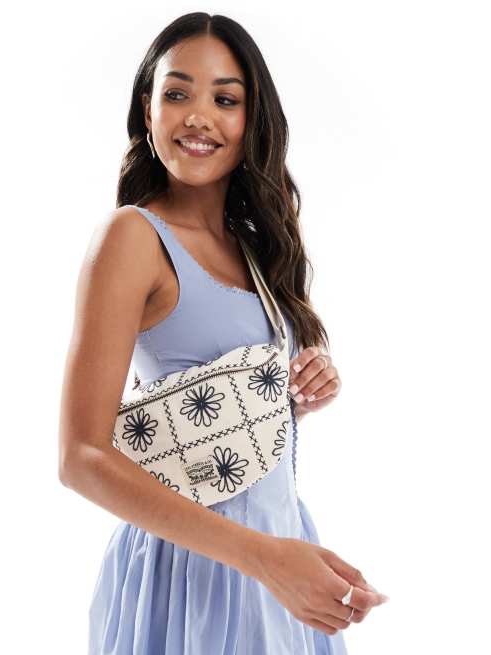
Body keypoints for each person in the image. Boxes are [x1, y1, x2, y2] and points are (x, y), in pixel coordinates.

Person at [58, 12, 389, 655]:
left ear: (252, 117)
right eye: (177, 93)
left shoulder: (256, 247)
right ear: (148, 111)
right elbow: (80, 458)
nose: (198, 116)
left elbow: (214, 397)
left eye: (225, 99)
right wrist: (263, 558)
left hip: (280, 549)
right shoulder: (132, 237)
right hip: (194, 571)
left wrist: (297, 392)